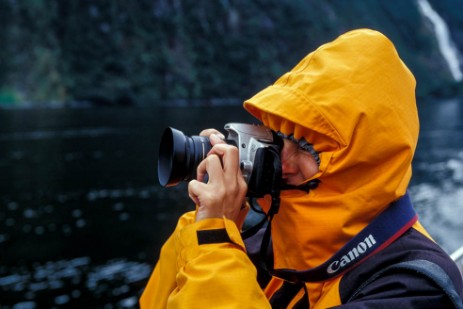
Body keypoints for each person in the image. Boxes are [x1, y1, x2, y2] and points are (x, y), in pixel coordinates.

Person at [140, 29, 463, 308]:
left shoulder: (416, 290)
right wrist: (205, 221)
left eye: (308, 148)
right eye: (280, 138)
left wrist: (213, 243)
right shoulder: (264, 244)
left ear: (361, 165)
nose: (283, 164)